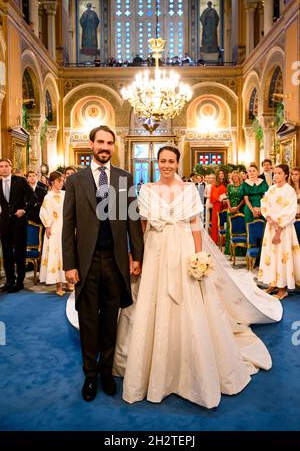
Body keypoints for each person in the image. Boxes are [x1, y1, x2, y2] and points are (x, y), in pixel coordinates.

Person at [112, 145, 282, 408]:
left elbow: (194, 226)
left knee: (187, 301)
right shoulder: (146, 191)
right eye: (163, 161)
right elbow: (142, 226)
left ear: (178, 163)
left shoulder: (189, 190)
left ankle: (189, 369)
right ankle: (150, 367)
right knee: (151, 301)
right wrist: (138, 256)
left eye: (171, 161)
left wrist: (199, 257)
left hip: (182, 250)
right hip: (155, 249)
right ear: (158, 163)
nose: (167, 165)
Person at [62, 125, 144, 401]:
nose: (105, 147)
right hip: (85, 262)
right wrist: (69, 264)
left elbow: (133, 220)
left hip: (115, 260)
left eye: (110, 143)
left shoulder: (124, 178)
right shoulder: (76, 181)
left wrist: (138, 256)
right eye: (101, 142)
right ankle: (90, 375)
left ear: (114, 146)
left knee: (111, 319)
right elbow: (68, 225)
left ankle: (107, 372)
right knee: (88, 320)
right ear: (91, 144)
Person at [258, 164, 300, 300]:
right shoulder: (271, 189)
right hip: (271, 226)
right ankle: (273, 283)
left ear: (286, 175)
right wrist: (269, 219)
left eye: (279, 173)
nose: (275, 176)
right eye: (274, 173)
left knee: (282, 255)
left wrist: (278, 227)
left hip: (283, 229)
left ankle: (282, 288)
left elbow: (290, 210)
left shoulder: (289, 191)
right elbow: (264, 204)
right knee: (270, 255)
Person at [0, 158, 36, 292]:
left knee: (20, 253)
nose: (3, 168)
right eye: (1, 166)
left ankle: (19, 282)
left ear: (10, 167)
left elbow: (33, 198)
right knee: (7, 253)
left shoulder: (20, 181)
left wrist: (24, 210)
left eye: (6, 166)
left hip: (19, 223)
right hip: (4, 224)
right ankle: (9, 281)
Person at [39, 171, 66, 296]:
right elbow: (44, 212)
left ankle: (68, 280)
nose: (61, 183)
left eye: (62, 180)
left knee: (66, 253)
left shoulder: (66, 194)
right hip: (54, 228)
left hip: (66, 226)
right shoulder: (48, 197)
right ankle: (58, 284)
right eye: (59, 181)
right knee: (56, 254)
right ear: (52, 182)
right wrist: (48, 226)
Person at [210, 169, 228, 244]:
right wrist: (218, 199)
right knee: (215, 222)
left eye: (222, 173)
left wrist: (225, 199)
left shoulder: (228, 184)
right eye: (220, 173)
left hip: (226, 204)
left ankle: (224, 241)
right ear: (218, 175)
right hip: (217, 204)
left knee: (225, 222)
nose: (221, 175)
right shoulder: (214, 185)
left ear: (224, 175)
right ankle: (215, 240)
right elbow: (212, 195)